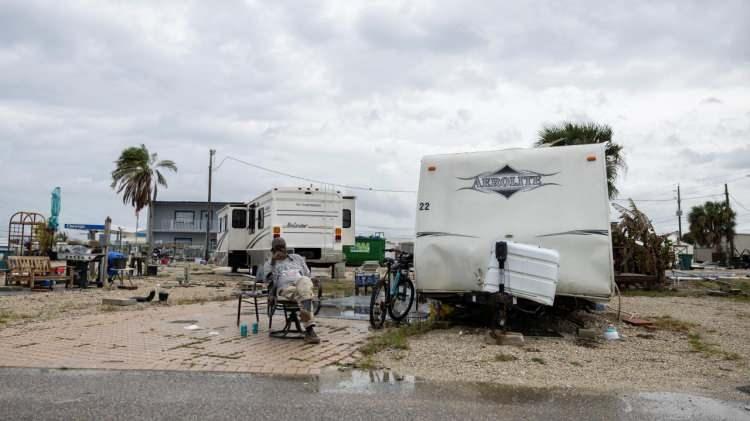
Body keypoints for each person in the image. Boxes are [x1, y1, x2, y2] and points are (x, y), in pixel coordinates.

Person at [259, 237, 320, 344]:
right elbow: (268, 280)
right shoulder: (269, 263)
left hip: (301, 284)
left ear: (286, 248)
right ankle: (310, 330)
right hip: (284, 289)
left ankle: (308, 326)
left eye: (282, 248)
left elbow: (308, 275)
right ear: (273, 250)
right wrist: (274, 261)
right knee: (305, 295)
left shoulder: (297, 258)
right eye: (277, 249)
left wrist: (313, 280)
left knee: (304, 281)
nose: (280, 250)